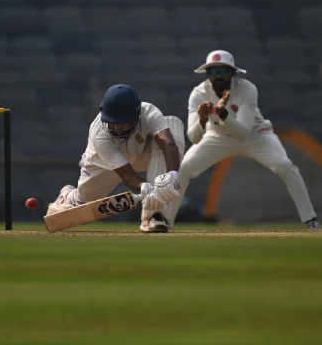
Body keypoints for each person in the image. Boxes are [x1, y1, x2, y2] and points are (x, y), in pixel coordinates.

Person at [166, 50, 319, 229]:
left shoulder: (247, 89)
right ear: (207, 74)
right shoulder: (199, 93)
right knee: (184, 168)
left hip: (257, 135)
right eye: (213, 71)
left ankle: (310, 219)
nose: (218, 76)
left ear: (232, 73)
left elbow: (243, 133)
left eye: (223, 71)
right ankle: (166, 221)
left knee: (285, 165)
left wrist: (224, 114)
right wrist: (202, 119)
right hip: (218, 136)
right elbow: (194, 137)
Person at [46, 84, 185, 233]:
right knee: (81, 202)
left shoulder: (149, 112)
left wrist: (172, 175)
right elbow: (126, 174)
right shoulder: (99, 134)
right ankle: (67, 197)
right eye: (112, 122)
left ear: (137, 113)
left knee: (172, 123)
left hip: (140, 154)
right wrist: (147, 188)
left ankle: (154, 216)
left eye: (123, 122)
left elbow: (168, 143)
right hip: (103, 165)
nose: (117, 128)